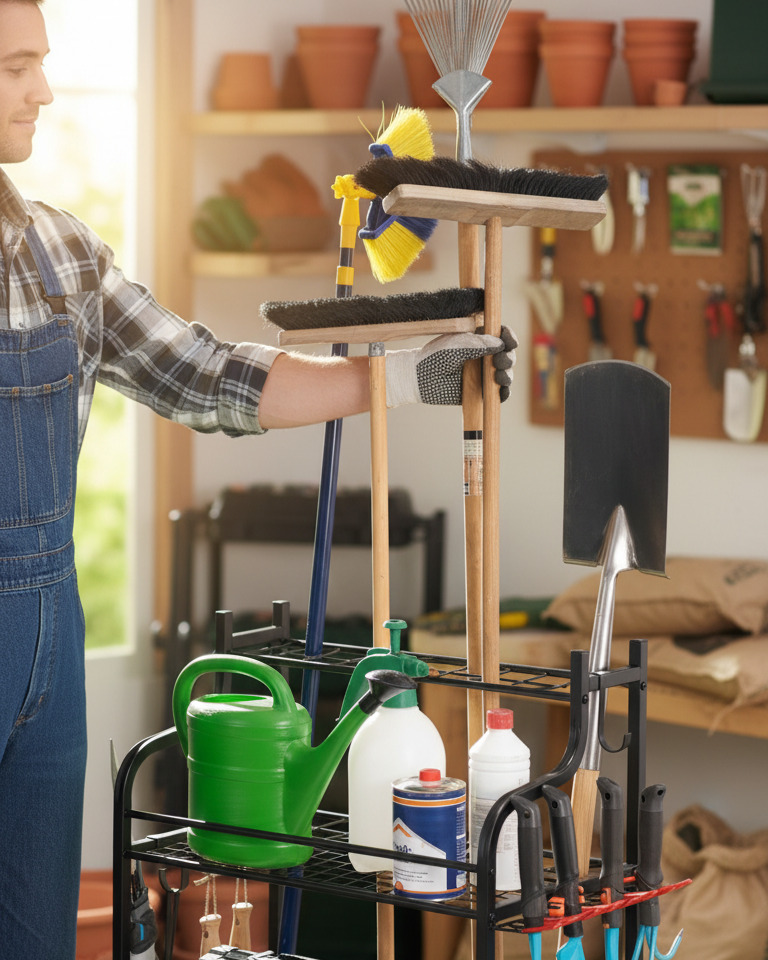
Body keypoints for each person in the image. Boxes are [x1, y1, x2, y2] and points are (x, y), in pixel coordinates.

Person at [0, 0, 517, 955]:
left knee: (33, 935)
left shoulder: (59, 252)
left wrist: (398, 376)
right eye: (16, 68)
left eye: (41, 61)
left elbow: (205, 374)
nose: (45, 88)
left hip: (45, 641)